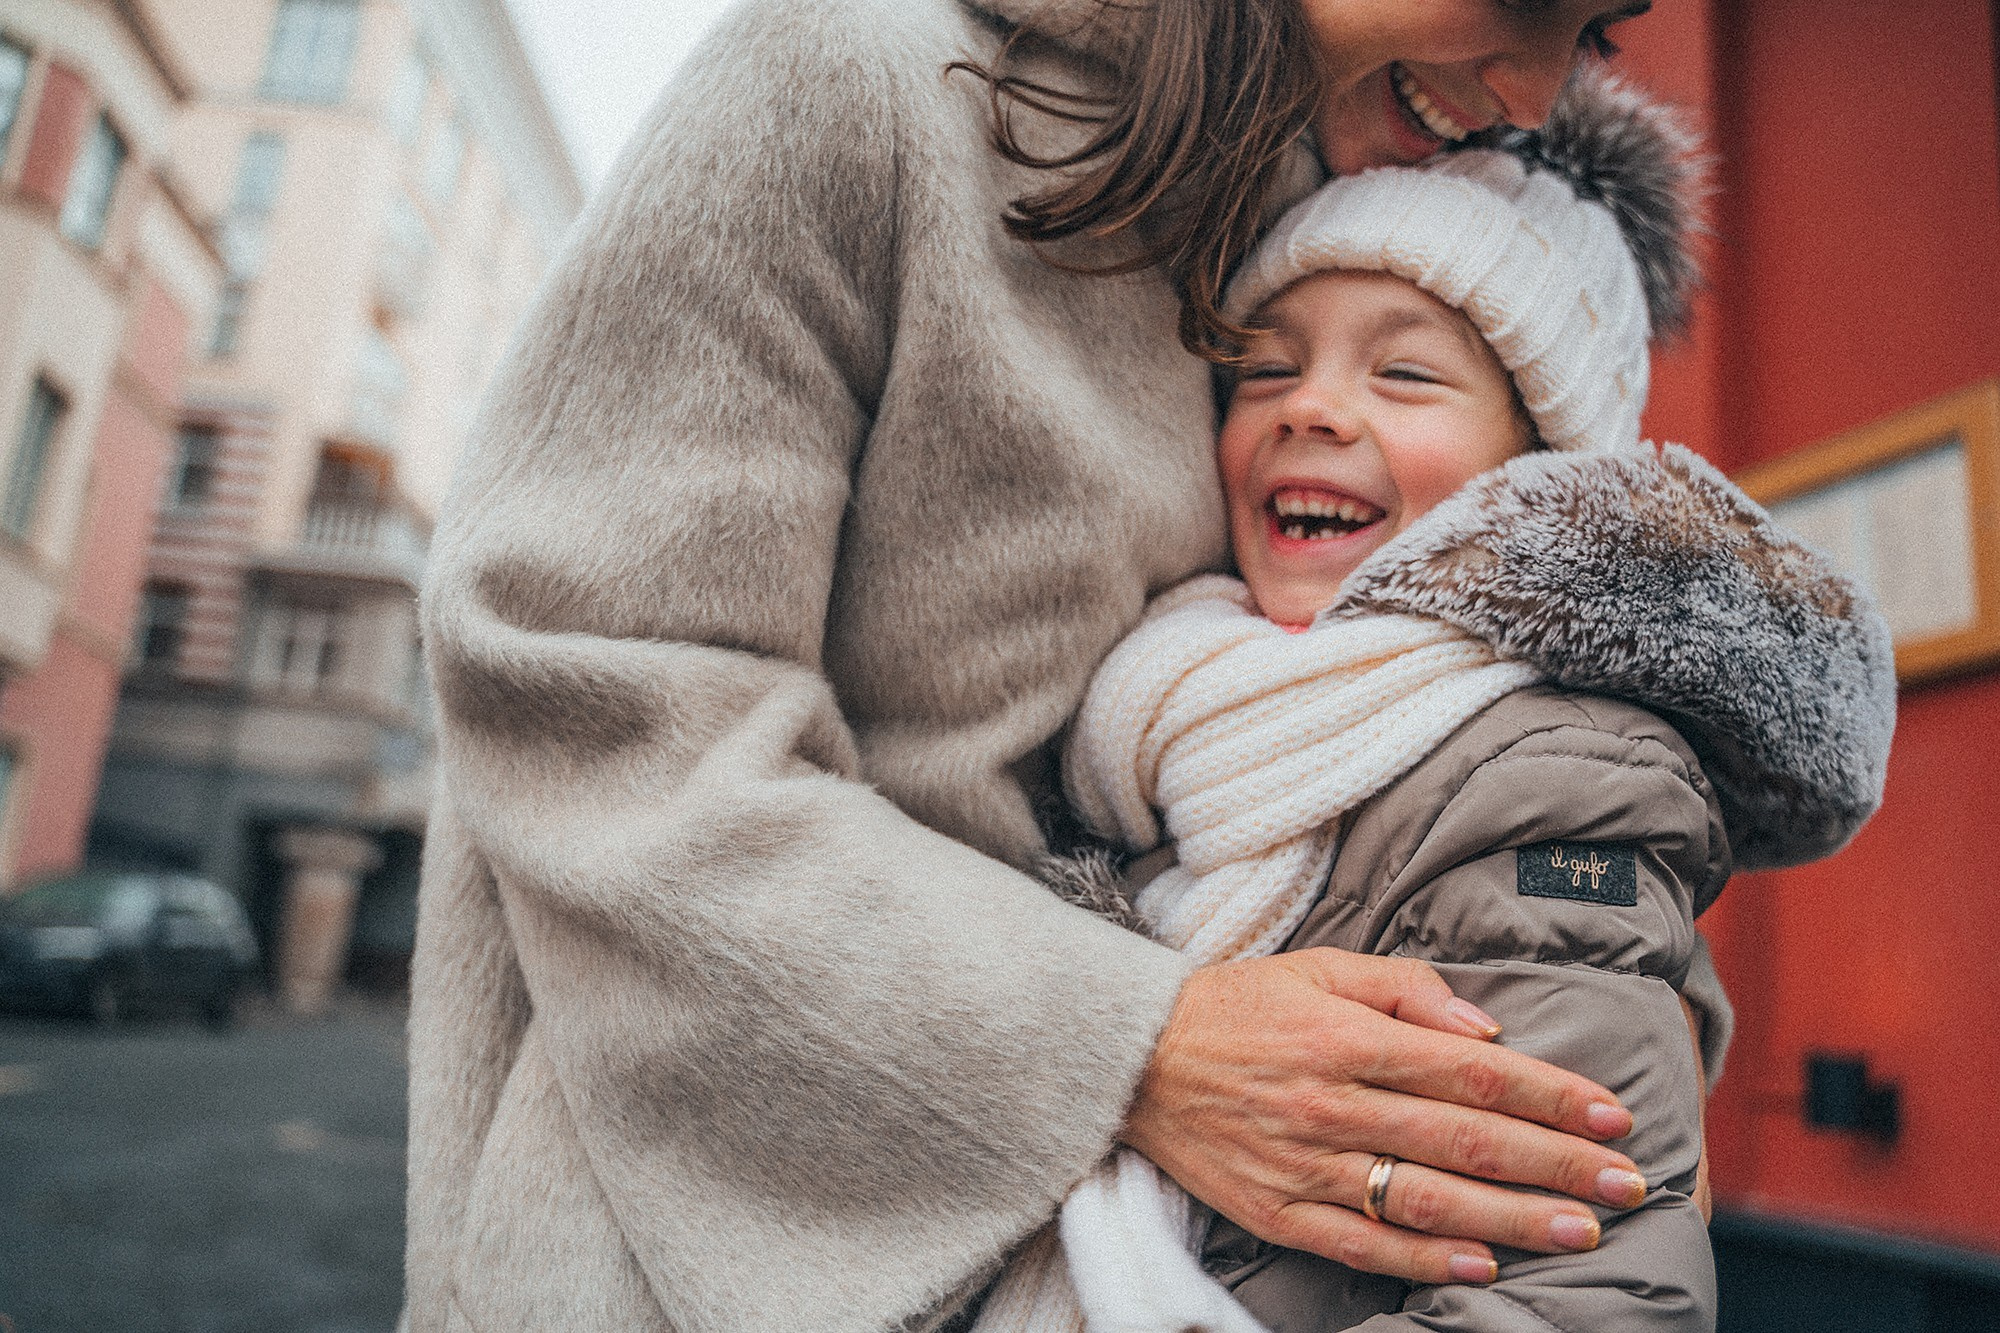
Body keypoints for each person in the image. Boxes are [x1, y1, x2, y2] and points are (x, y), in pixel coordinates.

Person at [402, 2, 1894, 1330]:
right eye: (1527, 2)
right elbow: (588, 683)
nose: (1541, 84)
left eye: (1601, 30)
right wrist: (1123, 1043)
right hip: (693, 1239)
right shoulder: (850, 73)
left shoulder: (1335, 220)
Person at [1012, 70, 1894, 1333]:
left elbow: (1583, 1294)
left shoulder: (1548, 780)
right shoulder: (1158, 718)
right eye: (1263, 370)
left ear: (1528, 481)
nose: (1312, 406)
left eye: (1406, 377)